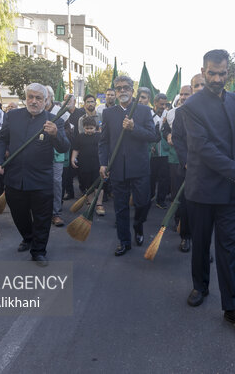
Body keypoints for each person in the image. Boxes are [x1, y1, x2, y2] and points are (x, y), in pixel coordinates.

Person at [181, 49, 235, 331]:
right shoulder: (190, 107)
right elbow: (204, 150)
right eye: (212, 73)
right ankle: (200, 287)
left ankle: (233, 305)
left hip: (230, 191)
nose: (217, 78)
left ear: (229, 73)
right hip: (203, 189)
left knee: (230, 248)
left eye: (222, 73)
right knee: (201, 244)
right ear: (203, 71)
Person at [0, 83, 70, 266]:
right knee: (19, 215)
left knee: (42, 217)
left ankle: (39, 250)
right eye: (30, 97)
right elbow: (1, 139)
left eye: (38, 98)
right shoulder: (12, 116)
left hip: (41, 180)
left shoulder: (54, 120)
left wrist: (55, 134)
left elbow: (64, 146)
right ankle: (28, 237)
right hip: (14, 178)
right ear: (25, 98)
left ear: (46, 101)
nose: (33, 101)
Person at [99, 75, 156, 256]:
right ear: (115, 92)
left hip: (139, 167)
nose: (122, 91)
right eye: (118, 88)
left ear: (132, 90)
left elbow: (153, 136)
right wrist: (102, 163)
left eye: (125, 87)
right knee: (120, 207)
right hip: (117, 168)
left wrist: (134, 128)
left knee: (142, 203)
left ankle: (138, 225)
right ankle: (124, 241)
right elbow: (104, 141)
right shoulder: (108, 113)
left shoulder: (144, 111)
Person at [162, 85, 192, 251]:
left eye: (186, 94)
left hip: (206, 166)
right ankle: (184, 233)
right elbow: (174, 136)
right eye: (181, 94)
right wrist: (167, 135)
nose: (183, 97)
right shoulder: (176, 113)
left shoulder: (207, 111)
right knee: (182, 199)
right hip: (182, 163)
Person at [46, 87, 70, 227]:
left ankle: (56, 213)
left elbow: (68, 132)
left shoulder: (60, 112)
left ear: (51, 96)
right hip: (39, 154)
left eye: (46, 95)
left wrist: (56, 134)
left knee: (56, 183)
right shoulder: (36, 112)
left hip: (56, 154)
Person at [71, 116, 104, 215]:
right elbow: (76, 149)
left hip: (98, 164)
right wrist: (73, 159)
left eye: (91, 128)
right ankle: (90, 202)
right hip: (84, 164)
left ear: (95, 127)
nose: (89, 130)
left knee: (99, 185)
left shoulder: (100, 136)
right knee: (88, 184)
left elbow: (104, 149)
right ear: (83, 127)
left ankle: (99, 204)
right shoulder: (80, 137)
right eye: (87, 128)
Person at [150, 93, 170, 209]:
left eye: (165, 104)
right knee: (151, 176)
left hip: (165, 151)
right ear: (155, 103)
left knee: (164, 176)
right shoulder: (149, 115)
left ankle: (160, 200)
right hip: (152, 152)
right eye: (161, 104)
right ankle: (150, 195)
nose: (163, 106)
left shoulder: (168, 114)